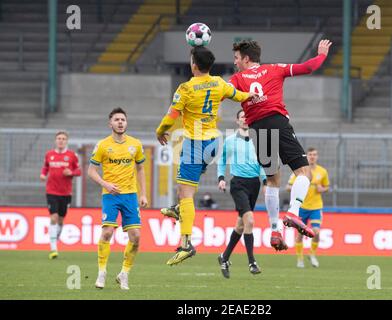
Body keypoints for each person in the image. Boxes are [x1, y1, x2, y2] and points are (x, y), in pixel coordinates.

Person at [156, 46, 256, 266]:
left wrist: (160, 131)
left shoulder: (185, 88)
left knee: (186, 193)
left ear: (193, 64)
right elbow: (238, 95)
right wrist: (252, 94)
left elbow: (170, 117)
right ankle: (178, 208)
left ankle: (186, 244)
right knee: (185, 188)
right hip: (214, 142)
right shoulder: (219, 82)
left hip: (196, 143)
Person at [228, 39, 332, 250]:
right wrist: (321, 54)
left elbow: (223, 92)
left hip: (256, 128)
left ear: (246, 59)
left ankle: (275, 231)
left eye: (237, 58)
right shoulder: (275, 69)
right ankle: (293, 212)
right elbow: (308, 67)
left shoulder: (237, 78)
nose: (235, 62)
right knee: (304, 173)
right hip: (277, 121)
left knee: (272, 180)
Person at [88, 107, 148, 290]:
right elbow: (91, 171)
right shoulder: (103, 145)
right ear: (110, 123)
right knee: (107, 233)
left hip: (130, 195)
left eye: (123, 119)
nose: (120, 122)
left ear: (126, 123)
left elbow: (140, 169)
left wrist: (143, 193)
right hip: (110, 195)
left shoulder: (135, 144)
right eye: (117, 120)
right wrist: (105, 184)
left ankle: (124, 274)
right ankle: (102, 273)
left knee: (136, 237)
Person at [217, 109, 267, 278]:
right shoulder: (230, 140)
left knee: (240, 225)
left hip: (255, 184)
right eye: (242, 117)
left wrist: (265, 181)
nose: (245, 119)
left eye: (247, 117)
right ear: (237, 121)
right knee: (250, 221)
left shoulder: (257, 141)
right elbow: (222, 159)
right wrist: (221, 178)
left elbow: (262, 163)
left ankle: (224, 257)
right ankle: (252, 262)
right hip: (238, 184)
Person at [40, 131, 81, 260]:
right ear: (55, 140)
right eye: (59, 138)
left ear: (66, 141)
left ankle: (55, 238)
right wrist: (43, 174)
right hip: (51, 191)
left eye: (63, 138)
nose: (61, 140)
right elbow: (45, 167)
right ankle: (53, 247)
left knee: (61, 220)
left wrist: (71, 172)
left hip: (66, 193)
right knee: (54, 217)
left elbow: (79, 171)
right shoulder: (49, 155)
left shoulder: (72, 156)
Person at [286, 148, 329, 268]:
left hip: (316, 207)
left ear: (317, 156)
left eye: (314, 154)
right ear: (307, 156)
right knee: (300, 234)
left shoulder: (322, 172)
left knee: (316, 232)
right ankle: (300, 259)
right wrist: (296, 186)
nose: (312, 157)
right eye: (310, 154)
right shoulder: (300, 170)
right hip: (302, 207)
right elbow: (288, 187)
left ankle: (312, 254)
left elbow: (326, 187)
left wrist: (322, 189)